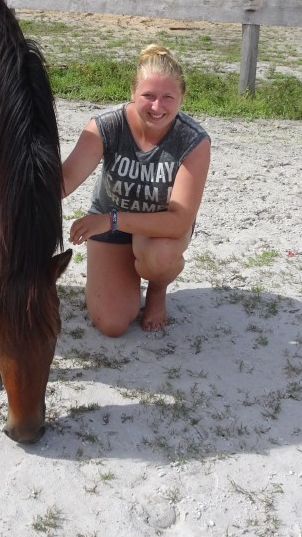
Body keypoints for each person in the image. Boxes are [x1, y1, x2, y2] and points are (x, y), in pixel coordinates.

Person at [61, 45, 211, 336]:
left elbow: (179, 220)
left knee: (160, 256)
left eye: (168, 97)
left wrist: (111, 219)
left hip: (158, 229)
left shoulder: (193, 141)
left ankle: (157, 289)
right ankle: (123, 276)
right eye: (148, 96)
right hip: (110, 224)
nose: (157, 107)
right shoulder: (106, 126)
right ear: (132, 92)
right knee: (113, 323)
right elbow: (64, 182)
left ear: (182, 98)